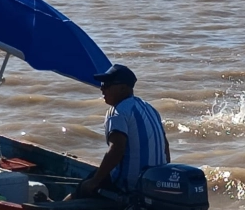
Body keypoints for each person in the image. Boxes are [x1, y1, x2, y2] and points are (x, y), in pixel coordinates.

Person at [71, 64, 170, 199]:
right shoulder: (150, 109)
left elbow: (117, 149)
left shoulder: (118, 111)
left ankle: (55, 209)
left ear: (123, 88)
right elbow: (166, 146)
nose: (102, 89)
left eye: (107, 85)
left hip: (130, 185)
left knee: (84, 186)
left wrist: (94, 182)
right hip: (155, 183)